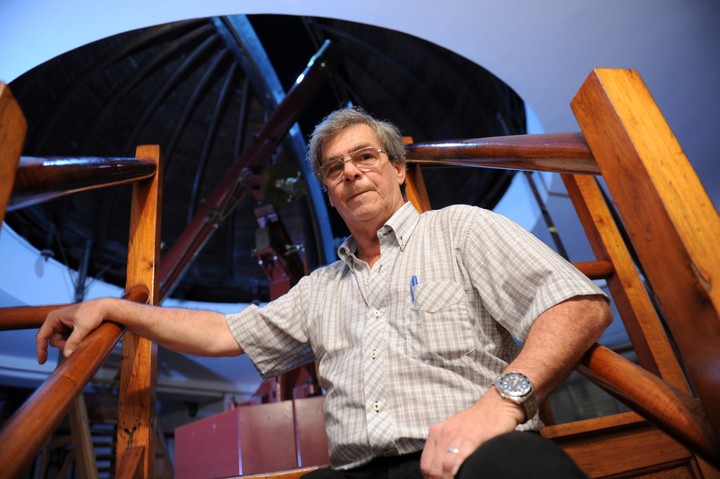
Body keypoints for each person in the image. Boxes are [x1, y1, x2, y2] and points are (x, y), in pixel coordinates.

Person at [36, 107, 612, 479]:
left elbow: (576, 304)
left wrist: (499, 406)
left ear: (398, 169)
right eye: (335, 169)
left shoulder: (461, 228)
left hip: (475, 453)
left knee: (530, 471)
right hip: (354, 470)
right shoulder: (318, 289)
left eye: (365, 157)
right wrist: (114, 306)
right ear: (330, 194)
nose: (351, 172)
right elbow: (223, 334)